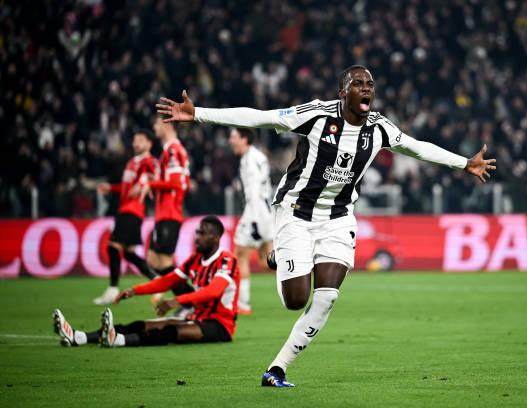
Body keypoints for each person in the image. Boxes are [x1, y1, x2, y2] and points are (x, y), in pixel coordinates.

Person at [156, 65, 496, 387]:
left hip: (338, 218)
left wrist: (464, 163)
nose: (366, 89)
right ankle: (279, 258)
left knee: (327, 296)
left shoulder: (379, 128)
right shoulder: (317, 114)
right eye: (358, 84)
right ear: (342, 92)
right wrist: (199, 114)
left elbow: (416, 147)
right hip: (296, 212)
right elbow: (261, 117)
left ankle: (277, 368)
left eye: (370, 84)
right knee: (295, 300)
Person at [53, 215, 240, 347]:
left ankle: (117, 340)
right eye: (197, 232)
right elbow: (167, 281)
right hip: (196, 317)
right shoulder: (194, 259)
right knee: (141, 324)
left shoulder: (227, 260)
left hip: (219, 326)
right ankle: (79, 337)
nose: (197, 237)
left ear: (216, 238)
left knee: (169, 331)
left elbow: (214, 291)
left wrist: (177, 301)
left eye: (203, 233)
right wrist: (135, 290)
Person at [130, 118, 193, 308]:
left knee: (163, 262)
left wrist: (151, 184)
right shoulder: (169, 151)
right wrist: (151, 182)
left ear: (168, 125)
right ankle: (188, 302)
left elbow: (176, 183)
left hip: (170, 212)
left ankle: (191, 304)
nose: (155, 127)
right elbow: (178, 181)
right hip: (164, 212)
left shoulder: (173, 150)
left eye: (157, 123)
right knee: (154, 259)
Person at [93, 130, 158, 305]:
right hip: (125, 209)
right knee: (128, 254)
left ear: (149, 144)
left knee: (113, 246)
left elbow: (155, 175)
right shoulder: (131, 162)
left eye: (141, 140)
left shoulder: (149, 161)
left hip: (133, 210)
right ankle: (156, 279)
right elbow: (126, 187)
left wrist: (143, 183)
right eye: (135, 139)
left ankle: (113, 289)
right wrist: (112, 188)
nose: (136, 143)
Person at [228, 127, 274, 315]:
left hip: (256, 211)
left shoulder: (250, 160)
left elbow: (254, 190)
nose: (231, 141)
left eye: (234, 137)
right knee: (266, 261)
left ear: (244, 139)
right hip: (265, 210)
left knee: (240, 256)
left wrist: (254, 221)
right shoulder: (255, 156)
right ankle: (301, 274)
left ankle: (243, 304)